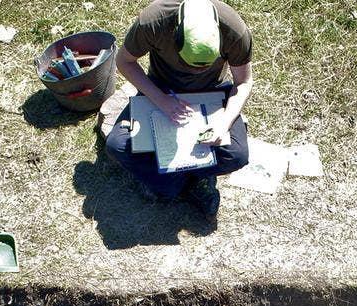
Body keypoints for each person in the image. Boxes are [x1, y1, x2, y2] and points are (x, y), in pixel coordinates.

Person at [105, 0, 254, 223]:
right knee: (117, 144)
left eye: (203, 66)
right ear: (176, 36)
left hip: (212, 92)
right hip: (162, 89)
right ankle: (180, 183)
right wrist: (161, 100)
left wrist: (223, 123)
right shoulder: (154, 21)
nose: (194, 72)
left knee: (238, 155)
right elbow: (124, 61)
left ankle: (186, 180)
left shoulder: (234, 31)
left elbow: (243, 82)